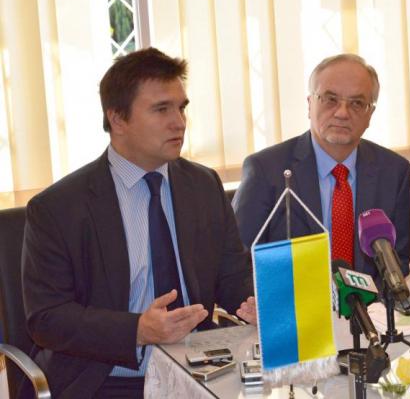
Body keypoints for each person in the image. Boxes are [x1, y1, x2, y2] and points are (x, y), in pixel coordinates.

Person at [22, 48, 256, 398]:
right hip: (108, 380)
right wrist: (138, 330)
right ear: (118, 119)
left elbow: (232, 275)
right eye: (161, 109)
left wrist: (258, 301)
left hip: (202, 371)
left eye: (181, 107)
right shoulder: (59, 208)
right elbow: (47, 318)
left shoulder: (203, 184)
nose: (179, 122)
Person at [232, 53, 410, 279]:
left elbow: (398, 262)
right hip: (293, 299)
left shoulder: (394, 171)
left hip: (369, 300)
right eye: (330, 99)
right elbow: (239, 263)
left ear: (370, 114)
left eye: (357, 103)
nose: (342, 113)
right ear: (310, 104)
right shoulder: (266, 170)